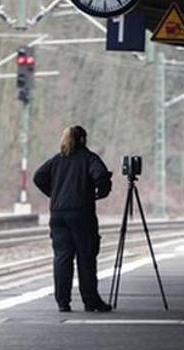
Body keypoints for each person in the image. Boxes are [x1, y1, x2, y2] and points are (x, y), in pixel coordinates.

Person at [34, 125, 113, 312]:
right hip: (81, 214)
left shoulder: (57, 160)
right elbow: (101, 176)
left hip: (58, 214)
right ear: (83, 139)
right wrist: (100, 193)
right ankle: (90, 300)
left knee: (62, 257)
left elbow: (38, 177)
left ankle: (63, 302)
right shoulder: (89, 158)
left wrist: (54, 194)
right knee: (86, 257)